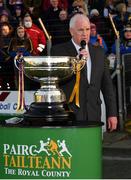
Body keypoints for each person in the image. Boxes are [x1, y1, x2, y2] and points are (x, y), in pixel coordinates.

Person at [51, 13, 118, 131]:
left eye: (87, 29)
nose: (85, 33)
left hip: (94, 114)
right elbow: (57, 79)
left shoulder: (99, 52)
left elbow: (107, 86)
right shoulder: (58, 51)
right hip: (69, 114)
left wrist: (112, 114)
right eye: (80, 30)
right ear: (71, 31)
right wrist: (75, 62)